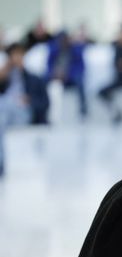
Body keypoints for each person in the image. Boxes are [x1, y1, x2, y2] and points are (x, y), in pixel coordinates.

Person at [0, 43, 50, 176]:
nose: (16, 59)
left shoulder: (34, 79)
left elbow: (45, 103)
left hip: (23, 113)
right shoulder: (5, 77)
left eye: (19, 55)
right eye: (13, 55)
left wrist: (29, 101)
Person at [46, 30, 88, 119]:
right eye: (61, 40)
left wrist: (67, 74)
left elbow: (81, 67)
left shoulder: (75, 50)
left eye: (65, 39)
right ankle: (45, 110)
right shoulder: (54, 50)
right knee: (43, 82)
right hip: (56, 76)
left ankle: (83, 109)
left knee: (80, 81)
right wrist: (54, 73)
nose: (63, 41)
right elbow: (49, 65)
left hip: (70, 78)